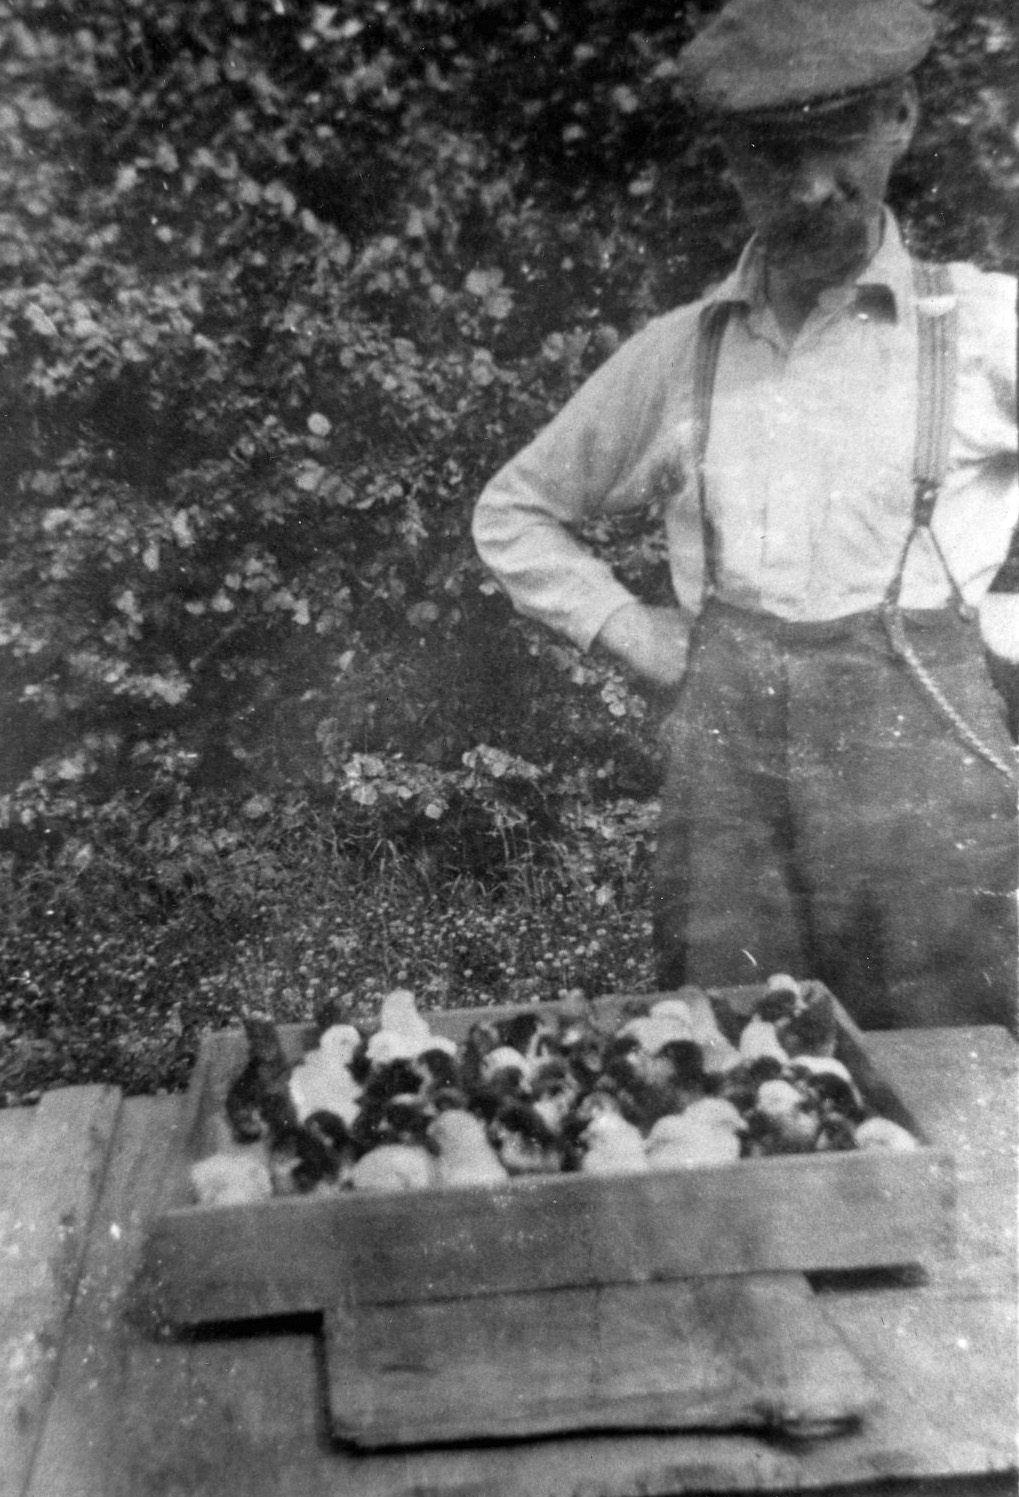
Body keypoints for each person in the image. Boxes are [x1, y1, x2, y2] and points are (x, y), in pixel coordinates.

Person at [472, 0, 1019, 1032]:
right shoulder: (682, 353)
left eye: (839, 142)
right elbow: (514, 511)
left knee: (953, 1068)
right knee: (727, 1055)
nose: (810, 188)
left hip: (921, 792)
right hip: (730, 793)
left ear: (899, 117)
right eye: (773, 155)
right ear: (727, 158)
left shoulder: (985, 328)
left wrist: (1004, 623)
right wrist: (631, 629)